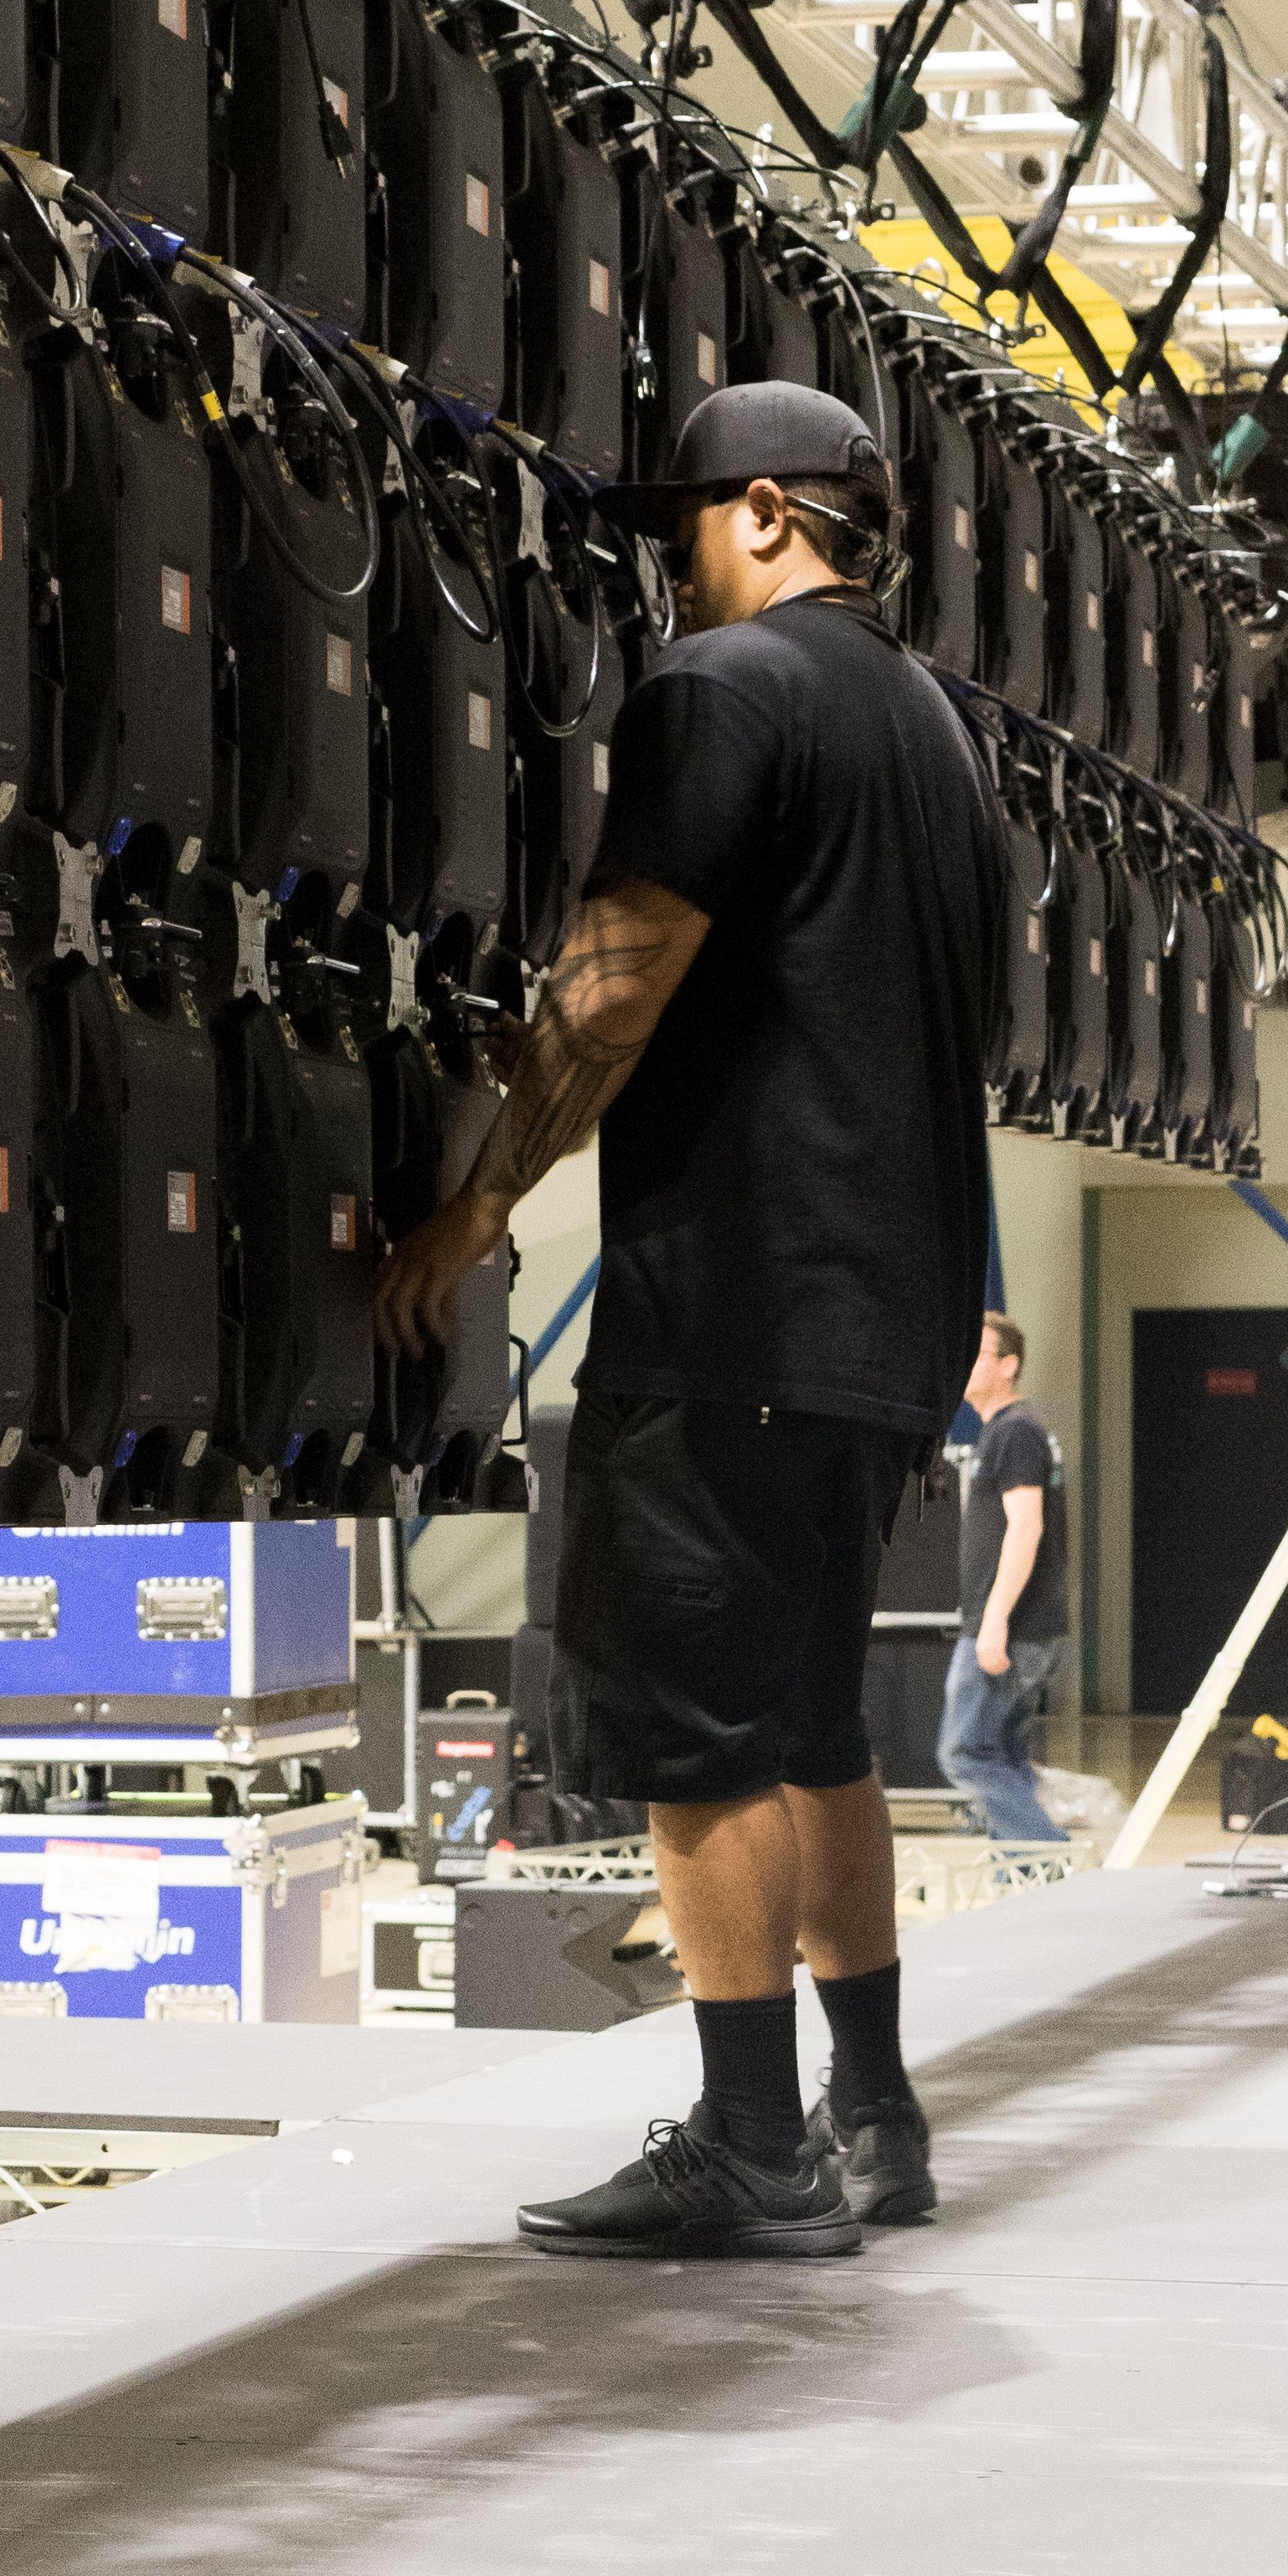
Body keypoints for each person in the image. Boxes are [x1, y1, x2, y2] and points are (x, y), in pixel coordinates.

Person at [378, 384, 1004, 2262]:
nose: (668, 572)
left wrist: (487, 1186)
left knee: (697, 1735)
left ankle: (750, 2139)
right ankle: (871, 2114)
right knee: (818, 1725)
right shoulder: (943, 735)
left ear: (757, 511)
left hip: (734, 1303)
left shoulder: (727, 694)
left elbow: (620, 973)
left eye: (678, 538)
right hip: (888, 1319)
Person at [938, 1312, 1069, 1842]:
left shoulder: (1016, 1433)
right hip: (1020, 1626)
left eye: (978, 1354)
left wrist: (993, 1621)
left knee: (964, 1753)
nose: (963, 1365)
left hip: (1010, 1628)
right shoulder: (1007, 1433)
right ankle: (1026, 1881)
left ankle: (1050, 1863)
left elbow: (1026, 1527)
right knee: (1003, 1756)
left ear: (1009, 1365)